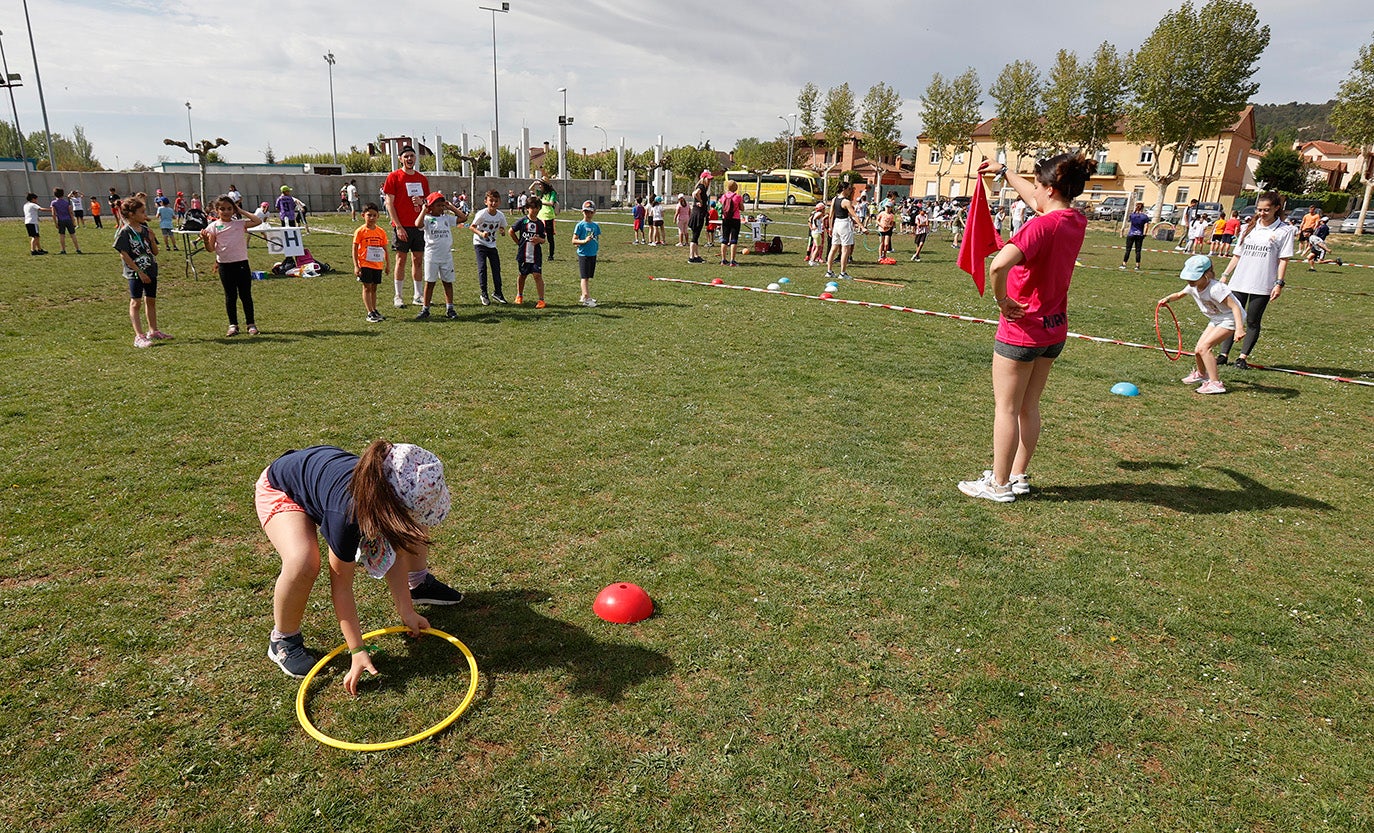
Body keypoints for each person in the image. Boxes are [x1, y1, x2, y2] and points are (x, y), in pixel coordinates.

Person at [256, 440, 463, 688]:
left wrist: (405, 610)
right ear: (388, 505)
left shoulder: (383, 487)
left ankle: (418, 586)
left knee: (408, 530)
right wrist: (357, 649)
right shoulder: (346, 515)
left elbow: (393, 550)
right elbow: (341, 586)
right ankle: (283, 639)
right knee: (303, 561)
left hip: (318, 473)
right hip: (282, 488)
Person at [957, 153, 1096, 502]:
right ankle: (1018, 475)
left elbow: (997, 266)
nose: (1032, 191)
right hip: (1053, 331)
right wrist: (1006, 172)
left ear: (1050, 189)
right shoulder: (1074, 220)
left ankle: (999, 484)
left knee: (1005, 408)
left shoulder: (1040, 226)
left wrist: (1002, 301)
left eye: (1036, 185)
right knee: (1028, 407)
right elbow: (1037, 202)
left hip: (1022, 330)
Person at [1215, 191, 1294, 370]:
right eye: (1259, 209)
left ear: (1276, 208)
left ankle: (1242, 357)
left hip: (1262, 283)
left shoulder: (1285, 231)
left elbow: (1284, 259)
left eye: (1266, 210)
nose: (1262, 213)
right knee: (1232, 317)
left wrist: (1279, 283)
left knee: (1252, 320)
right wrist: (1225, 275)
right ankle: (1223, 354)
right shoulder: (1247, 228)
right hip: (1239, 281)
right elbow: (1237, 255)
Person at [1157, 255, 1247, 395]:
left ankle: (1215, 383)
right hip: (1217, 318)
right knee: (1198, 349)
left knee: (1205, 347)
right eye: (1188, 278)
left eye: (1193, 278)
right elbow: (1180, 294)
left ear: (1207, 275)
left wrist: (1239, 328)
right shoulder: (1193, 286)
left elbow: (1235, 307)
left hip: (1230, 319)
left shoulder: (1216, 289)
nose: (1190, 281)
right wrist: (1167, 299)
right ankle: (1202, 374)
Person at [114, 197, 172, 348]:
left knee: (151, 300)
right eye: (142, 212)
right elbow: (124, 254)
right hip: (135, 273)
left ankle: (153, 330)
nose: (145, 214)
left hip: (150, 269)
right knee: (136, 302)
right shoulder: (125, 232)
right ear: (132, 214)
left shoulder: (146, 230)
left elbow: (155, 252)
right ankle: (139, 336)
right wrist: (139, 271)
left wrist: (152, 240)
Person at [202, 195, 260, 336]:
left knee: (245, 295)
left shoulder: (239, 224)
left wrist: (240, 210)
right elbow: (211, 248)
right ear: (216, 210)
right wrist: (205, 240)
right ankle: (233, 325)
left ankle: (251, 324)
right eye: (222, 209)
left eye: (229, 208)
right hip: (225, 266)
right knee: (230, 296)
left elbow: (257, 221)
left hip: (241, 264)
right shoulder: (214, 226)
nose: (226, 212)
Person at [382, 146, 431, 308]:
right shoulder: (394, 177)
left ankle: (418, 295)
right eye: (406, 156)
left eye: (412, 156)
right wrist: (398, 226)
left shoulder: (422, 179)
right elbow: (389, 203)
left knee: (418, 260)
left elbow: (427, 203)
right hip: (402, 226)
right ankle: (398, 295)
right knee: (401, 260)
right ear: (400, 159)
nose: (410, 159)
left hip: (418, 226)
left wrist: (422, 202)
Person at [414, 192, 468, 320]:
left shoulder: (446, 218)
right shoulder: (427, 219)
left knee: (448, 283)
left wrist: (451, 208)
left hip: (446, 256)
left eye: (442, 205)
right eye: (437, 205)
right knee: (430, 283)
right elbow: (417, 224)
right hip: (431, 256)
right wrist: (423, 210)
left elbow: (463, 218)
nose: (440, 208)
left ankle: (450, 308)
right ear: (431, 206)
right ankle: (425, 309)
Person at [469, 189, 509, 306]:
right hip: (480, 243)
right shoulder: (482, 214)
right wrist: (481, 233)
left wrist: (502, 231)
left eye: (496, 201)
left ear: (499, 202)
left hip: (492, 244)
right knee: (482, 268)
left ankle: (498, 292)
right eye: (491, 201)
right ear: (485, 201)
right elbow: (472, 227)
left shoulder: (500, 215)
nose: (493, 203)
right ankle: (484, 293)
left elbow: (502, 226)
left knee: (496, 268)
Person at [353, 202, 389, 323]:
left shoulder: (381, 231)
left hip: (377, 263)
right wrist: (356, 266)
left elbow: (385, 248)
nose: (372, 218)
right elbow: (354, 249)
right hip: (365, 263)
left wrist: (388, 264)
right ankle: (369, 312)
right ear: (363, 215)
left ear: (378, 216)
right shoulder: (360, 231)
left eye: (374, 215)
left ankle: (374, 309)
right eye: (369, 215)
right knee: (367, 287)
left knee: (374, 288)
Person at [510, 196, 547, 308]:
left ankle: (541, 300)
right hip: (524, 254)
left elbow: (543, 239)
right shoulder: (522, 221)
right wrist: (519, 243)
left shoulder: (540, 224)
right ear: (527, 208)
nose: (534, 210)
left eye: (537, 208)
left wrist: (539, 240)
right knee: (522, 275)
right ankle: (519, 295)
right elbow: (511, 231)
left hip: (536, 255)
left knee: (537, 275)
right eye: (532, 207)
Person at [824, 181, 859, 279]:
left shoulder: (834, 199)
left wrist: (830, 228)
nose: (850, 190)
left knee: (833, 248)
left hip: (836, 225)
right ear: (844, 189)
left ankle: (829, 271)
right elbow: (854, 215)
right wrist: (863, 227)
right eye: (849, 189)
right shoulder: (846, 201)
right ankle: (842, 273)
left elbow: (831, 215)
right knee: (845, 250)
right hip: (844, 224)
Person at [572, 200, 601, 307]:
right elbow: (574, 240)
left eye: (590, 212)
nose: (588, 214)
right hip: (583, 254)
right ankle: (587, 298)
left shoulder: (595, 226)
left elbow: (596, 238)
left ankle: (584, 295)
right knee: (584, 277)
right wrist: (583, 241)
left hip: (592, 253)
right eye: (586, 212)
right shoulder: (580, 225)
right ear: (582, 212)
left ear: (594, 212)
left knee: (588, 276)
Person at [717, 179, 745, 267]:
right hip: (735, 219)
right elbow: (742, 208)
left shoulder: (723, 196)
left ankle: (723, 259)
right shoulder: (738, 197)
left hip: (725, 219)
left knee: (724, 239)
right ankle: (732, 260)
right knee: (733, 240)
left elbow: (721, 205)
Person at [688, 170, 712, 262]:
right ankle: (691, 257)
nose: (709, 181)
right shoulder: (701, 186)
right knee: (695, 236)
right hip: (697, 215)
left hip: (699, 214)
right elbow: (695, 193)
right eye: (708, 179)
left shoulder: (704, 188)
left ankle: (696, 255)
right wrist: (700, 201)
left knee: (696, 236)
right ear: (704, 179)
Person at [50, 188, 83, 254]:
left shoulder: (53, 203)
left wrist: (55, 223)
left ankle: (63, 250)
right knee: (73, 234)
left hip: (61, 220)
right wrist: (73, 221)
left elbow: (53, 214)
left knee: (62, 235)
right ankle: (78, 249)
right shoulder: (66, 202)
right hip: (68, 220)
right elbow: (70, 212)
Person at [532, 178, 558, 260]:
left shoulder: (552, 193)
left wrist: (540, 202)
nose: (539, 186)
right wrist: (534, 183)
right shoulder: (540, 193)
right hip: (540, 217)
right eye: (539, 184)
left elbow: (551, 203)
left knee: (550, 238)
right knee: (537, 236)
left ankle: (551, 255)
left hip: (549, 217)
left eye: (541, 184)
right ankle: (536, 254)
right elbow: (531, 189)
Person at [1120, 202, 1150, 270]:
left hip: (1131, 234)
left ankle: (1124, 264)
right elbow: (1146, 226)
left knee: (1128, 250)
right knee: (1138, 251)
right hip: (1139, 234)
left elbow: (1130, 224)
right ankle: (1137, 265)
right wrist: (1144, 234)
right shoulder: (1145, 217)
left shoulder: (1132, 215)